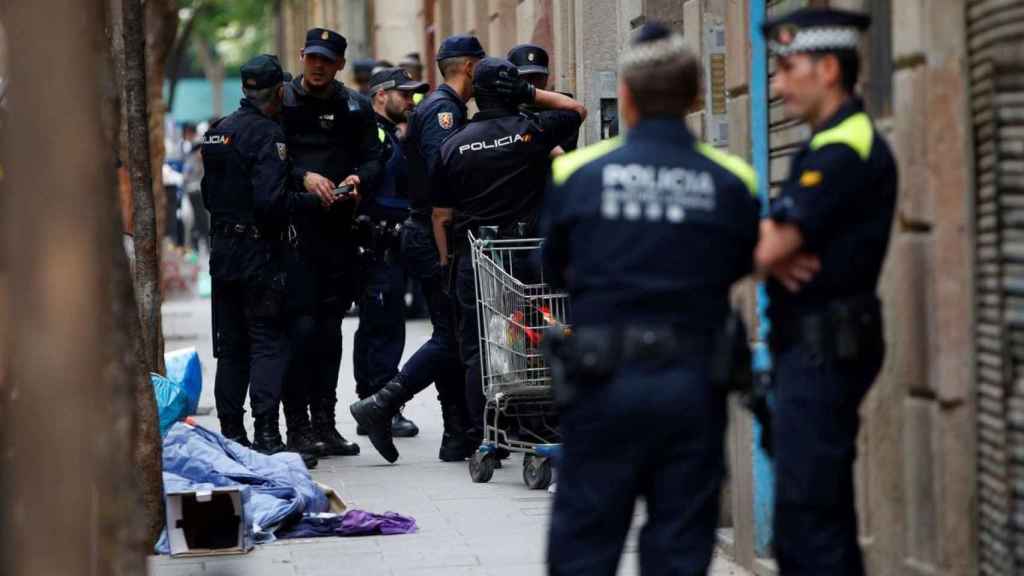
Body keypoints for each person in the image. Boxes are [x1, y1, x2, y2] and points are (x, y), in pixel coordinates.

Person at [542, 24, 761, 575]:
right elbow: (742, 264)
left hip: (602, 384)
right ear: (693, 100)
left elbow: (551, 270)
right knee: (681, 545)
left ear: (630, 99)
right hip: (692, 386)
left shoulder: (576, 172)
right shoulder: (733, 179)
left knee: (586, 545)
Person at [756, 8, 896, 575]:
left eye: (788, 68)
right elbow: (771, 247)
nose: (777, 84)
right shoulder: (825, 144)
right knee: (813, 520)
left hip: (826, 352)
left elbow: (768, 248)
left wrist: (765, 248)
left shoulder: (846, 147)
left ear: (829, 68)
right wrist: (769, 247)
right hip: (811, 351)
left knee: (812, 525)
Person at [432, 57, 585, 452]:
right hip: (528, 254)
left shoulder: (452, 145)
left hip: (478, 256)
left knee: (481, 344)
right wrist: (531, 94)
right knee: (539, 334)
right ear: (513, 91)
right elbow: (576, 110)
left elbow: (442, 213)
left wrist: (448, 260)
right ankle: (542, 424)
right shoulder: (530, 131)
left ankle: (484, 433)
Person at [349, 35, 485, 464]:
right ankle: (381, 404)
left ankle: (453, 433)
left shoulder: (439, 109)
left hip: (426, 234)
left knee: (450, 333)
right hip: (433, 235)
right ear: (468, 66)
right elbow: (446, 175)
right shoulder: (444, 110)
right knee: (449, 336)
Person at [201, 55, 328, 464]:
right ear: (277, 92)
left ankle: (232, 435)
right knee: (267, 342)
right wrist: (316, 203)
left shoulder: (218, 132)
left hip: (223, 251)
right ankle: (268, 435)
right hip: (258, 253)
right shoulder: (268, 134)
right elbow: (271, 204)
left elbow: (208, 195)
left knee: (231, 345)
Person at [279, 28, 383, 458]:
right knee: (299, 331)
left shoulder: (355, 107)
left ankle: (326, 421)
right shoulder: (280, 102)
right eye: (312, 58)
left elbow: (377, 157)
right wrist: (303, 176)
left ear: (340, 63)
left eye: (327, 59)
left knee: (330, 329)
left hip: (339, 234)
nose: (318, 66)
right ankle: (297, 427)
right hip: (293, 236)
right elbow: (266, 157)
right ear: (301, 56)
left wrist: (360, 179)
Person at [352, 67, 429, 438]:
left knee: (378, 325)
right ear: (381, 95)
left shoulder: (389, 135)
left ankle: (370, 400)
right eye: (405, 94)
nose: (411, 101)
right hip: (377, 244)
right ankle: (378, 403)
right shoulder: (376, 135)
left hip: (388, 244)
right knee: (383, 327)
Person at [508, 44, 579, 153]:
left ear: (546, 79)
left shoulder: (564, 108)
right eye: (524, 77)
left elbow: (563, 151)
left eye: (537, 77)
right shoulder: (505, 109)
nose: (531, 83)